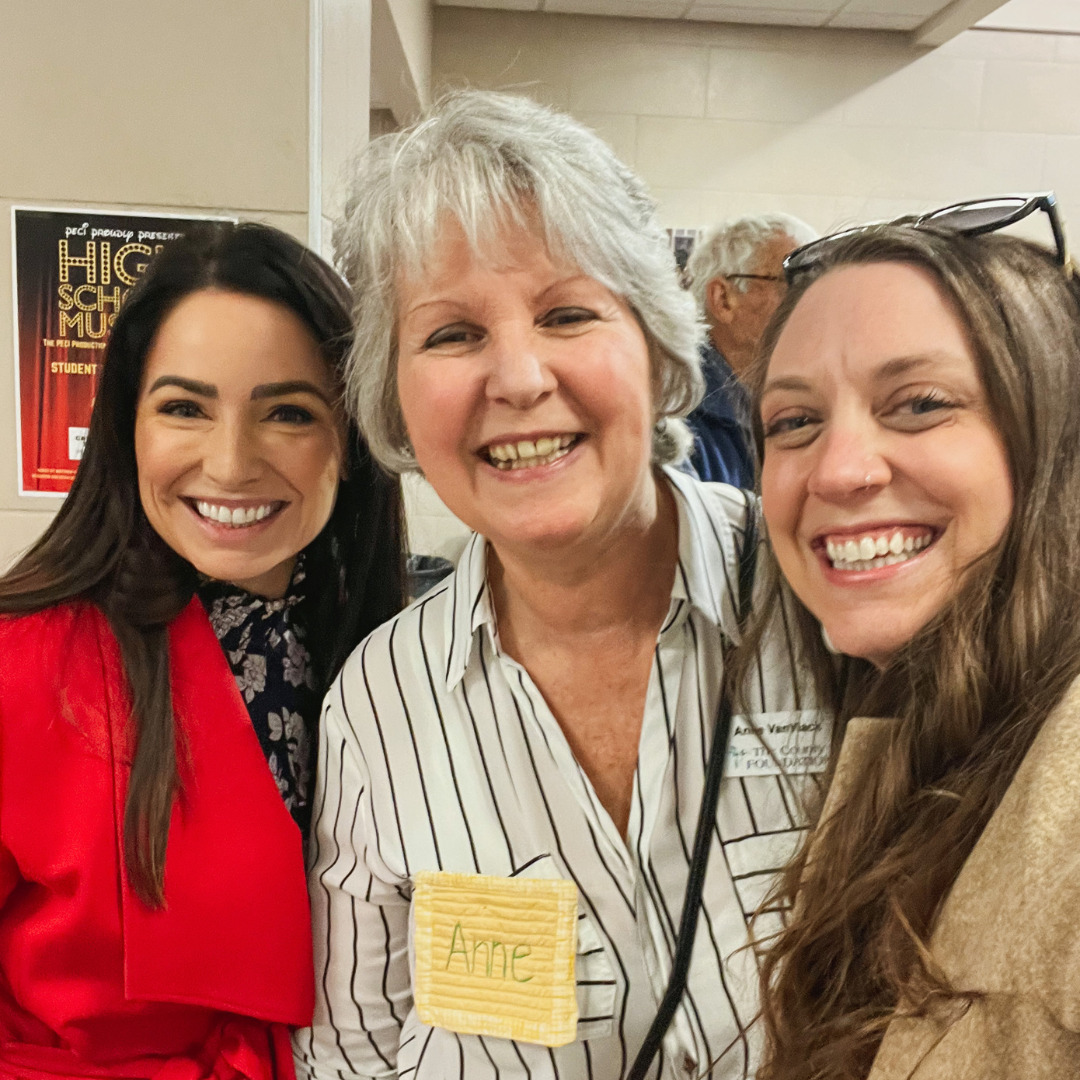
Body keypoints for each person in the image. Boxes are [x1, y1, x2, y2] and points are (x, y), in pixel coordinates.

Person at [296, 90, 824, 1080]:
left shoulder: (819, 598)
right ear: (393, 396)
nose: (519, 378)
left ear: (658, 345)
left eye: (568, 313)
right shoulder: (378, 705)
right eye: (451, 335)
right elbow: (353, 1049)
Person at [0, 222, 405, 1080]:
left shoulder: (396, 662)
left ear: (350, 438)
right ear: (127, 428)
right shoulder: (21, 663)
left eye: (288, 413)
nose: (229, 464)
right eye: (184, 408)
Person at [737, 195, 1080, 1079]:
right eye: (794, 422)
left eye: (920, 404)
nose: (839, 470)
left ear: (1052, 438)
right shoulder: (917, 741)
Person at [684, 214, 816, 487]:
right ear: (723, 299)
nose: (814, 304)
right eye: (795, 284)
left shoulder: (809, 399)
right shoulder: (677, 415)